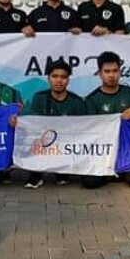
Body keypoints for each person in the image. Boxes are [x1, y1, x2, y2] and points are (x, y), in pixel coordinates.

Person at [84, 52, 130, 188]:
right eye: (107, 71)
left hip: (127, 149)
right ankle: (110, 172)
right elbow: (90, 130)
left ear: (120, 72)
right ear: (99, 74)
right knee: (90, 183)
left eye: (115, 71)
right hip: (103, 151)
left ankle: (118, 172)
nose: (111, 75)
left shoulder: (129, 93)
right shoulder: (92, 99)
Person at [22, 59, 87, 189]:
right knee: (31, 136)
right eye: (54, 76)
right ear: (48, 78)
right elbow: (32, 122)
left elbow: (84, 129)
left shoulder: (77, 101)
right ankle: (36, 174)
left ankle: (62, 172)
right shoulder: (39, 97)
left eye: (63, 77)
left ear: (68, 80)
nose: (59, 80)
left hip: (67, 143)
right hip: (44, 140)